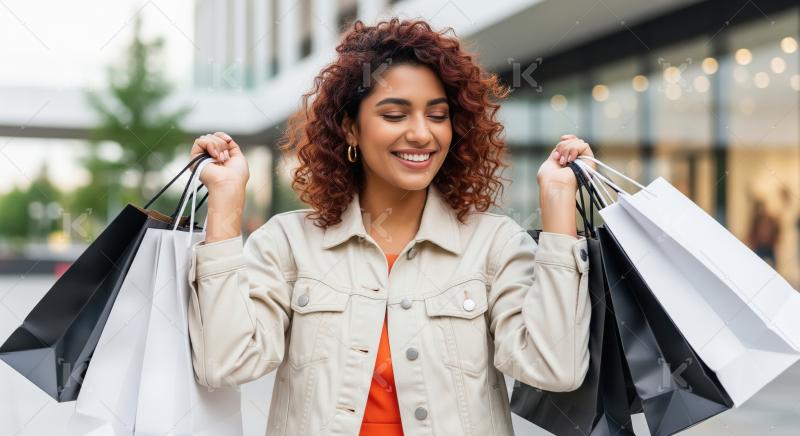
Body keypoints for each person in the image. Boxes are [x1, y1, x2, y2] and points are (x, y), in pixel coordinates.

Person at [186, 18, 594, 436]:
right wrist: (225, 205)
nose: (421, 134)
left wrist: (559, 208)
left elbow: (554, 369)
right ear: (350, 128)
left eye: (437, 115)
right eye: (395, 114)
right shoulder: (289, 243)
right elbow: (226, 363)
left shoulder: (493, 245)